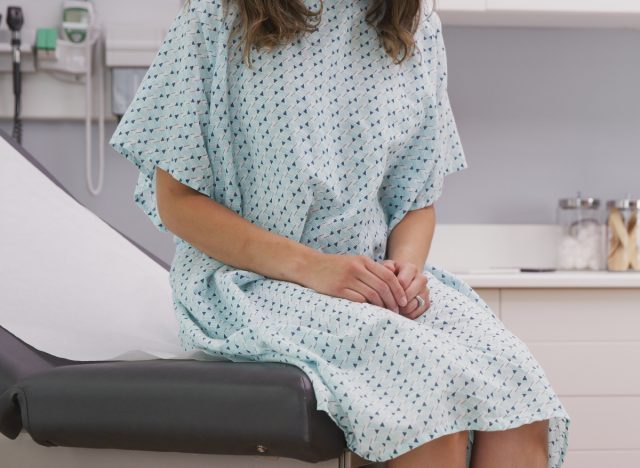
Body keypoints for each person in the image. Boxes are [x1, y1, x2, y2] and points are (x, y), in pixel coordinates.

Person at [109, 0, 571, 466]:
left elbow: (415, 201)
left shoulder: (414, 26)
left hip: (369, 285)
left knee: (519, 394)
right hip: (250, 282)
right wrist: (315, 269)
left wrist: (406, 271)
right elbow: (179, 203)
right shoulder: (215, 18)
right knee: (430, 409)